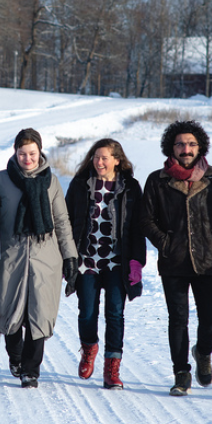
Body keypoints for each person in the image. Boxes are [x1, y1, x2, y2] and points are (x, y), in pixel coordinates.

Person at [140, 120, 212, 397]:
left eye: (192, 144)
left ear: (201, 147)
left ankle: (202, 353)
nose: (186, 149)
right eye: (181, 144)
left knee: (210, 319)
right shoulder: (157, 180)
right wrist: (166, 243)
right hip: (174, 262)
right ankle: (181, 372)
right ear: (171, 147)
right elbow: (146, 220)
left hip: (207, 262)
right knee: (178, 319)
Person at [0, 128, 77, 388]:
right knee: (10, 314)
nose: (27, 158)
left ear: (40, 152)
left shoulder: (52, 182)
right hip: (9, 257)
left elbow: (61, 222)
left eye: (32, 153)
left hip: (45, 260)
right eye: (22, 153)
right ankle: (15, 358)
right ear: (15, 152)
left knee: (39, 315)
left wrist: (70, 257)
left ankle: (31, 370)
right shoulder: (1, 180)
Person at [65, 138, 146, 390]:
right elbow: (66, 221)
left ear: (117, 160)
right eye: (96, 157)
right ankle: (89, 349)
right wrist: (68, 256)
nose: (99, 162)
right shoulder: (80, 184)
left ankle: (112, 368)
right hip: (86, 261)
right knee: (87, 311)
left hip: (116, 263)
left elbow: (137, 228)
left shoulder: (130, 187)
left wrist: (136, 261)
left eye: (105, 157)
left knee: (115, 313)